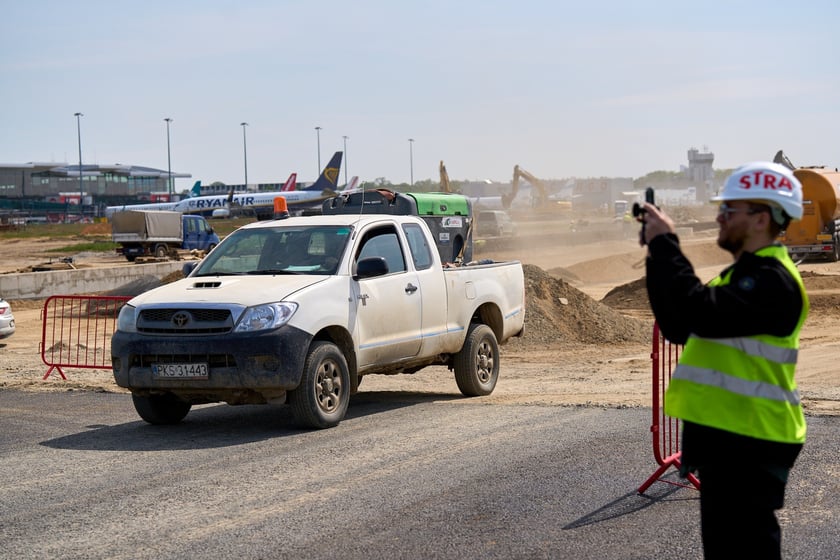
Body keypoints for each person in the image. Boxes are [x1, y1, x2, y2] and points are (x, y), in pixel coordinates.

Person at [640, 161, 808, 559]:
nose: (719, 217)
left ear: (760, 218)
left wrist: (667, 244)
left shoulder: (773, 281)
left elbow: (697, 311)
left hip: (752, 440)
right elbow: (679, 324)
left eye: (729, 210)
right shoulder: (742, 275)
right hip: (731, 438)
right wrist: (656, 250)